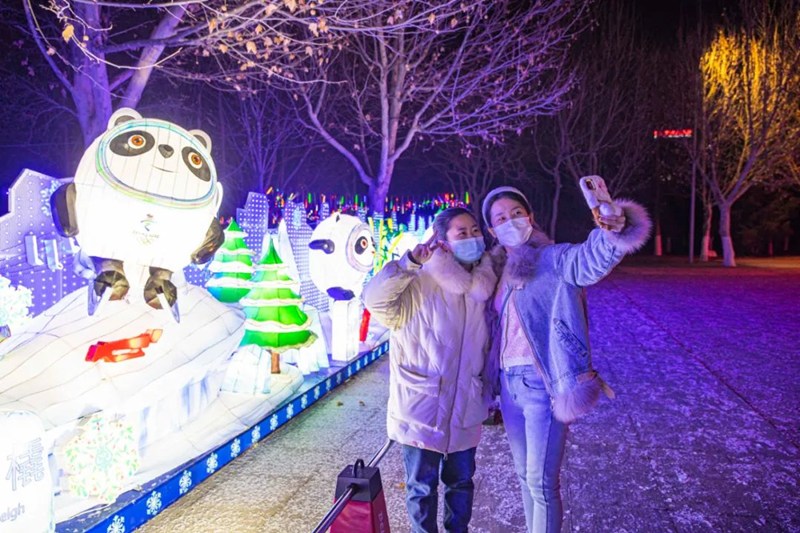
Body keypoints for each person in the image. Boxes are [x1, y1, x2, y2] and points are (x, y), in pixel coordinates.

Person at [481, 185, 651, 533]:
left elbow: (589, 259)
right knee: (524, 476)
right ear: (492, 230)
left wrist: (614, 228)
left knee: (541, 482)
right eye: (501, 218)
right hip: (509, 387)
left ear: (530, 217)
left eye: (516, 213)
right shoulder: (497, 273)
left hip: (542, 382)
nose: (510, 221)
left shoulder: (552, 259)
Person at [362, 207, 497, 533]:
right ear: (443, 240)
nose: (471, 237)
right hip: (422, 406)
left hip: (466, 405)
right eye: (461, 232)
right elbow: (374, 300)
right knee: (422, 488)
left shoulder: (485, 286)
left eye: (475, 230)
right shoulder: (420, 279)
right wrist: (409, 263)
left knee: (461, 483)